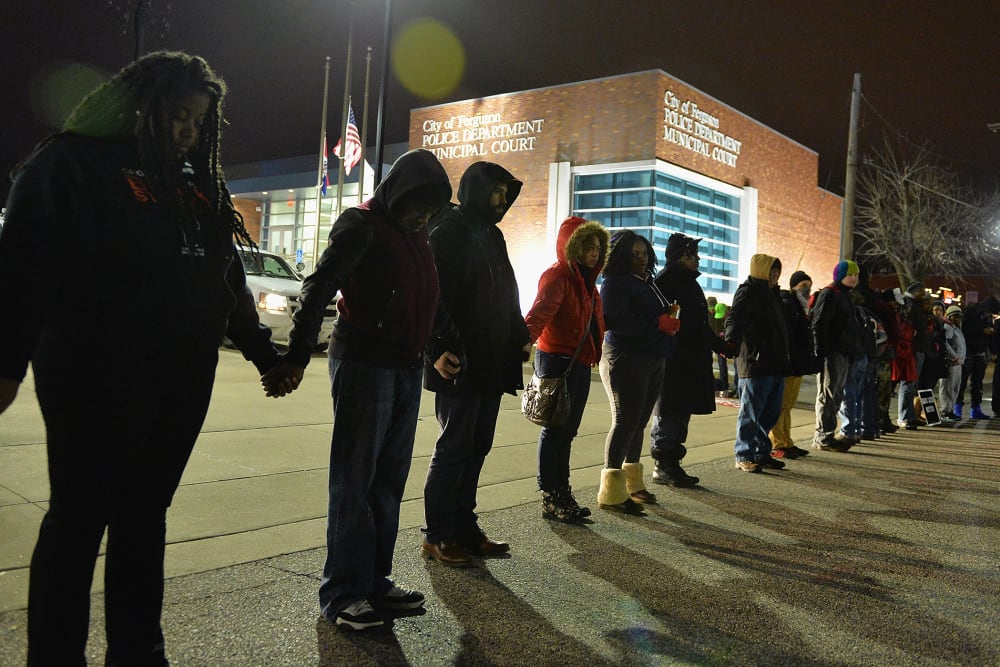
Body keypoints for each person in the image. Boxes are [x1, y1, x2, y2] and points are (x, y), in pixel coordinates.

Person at [0, 52, 282, 665]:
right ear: (138, 104)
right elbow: (23, 268)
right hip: (92, 375)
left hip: (181, 378)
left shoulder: (192, 182)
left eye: (197, 120)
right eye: (177, 113)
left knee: (145, 515)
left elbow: (224, 274)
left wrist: (263, 352)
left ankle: (137, 650)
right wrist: (6, 363)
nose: (187, 129)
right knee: (78, 520)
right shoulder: (69, 163)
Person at [262, 148, 452, 630]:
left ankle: (373, 580)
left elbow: (426, 296)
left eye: (431, 211)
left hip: (406, 368)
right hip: (365, 365)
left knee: (388, 482)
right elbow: (319, 286)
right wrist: (299, 354)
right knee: (356, 481)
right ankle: (343, 592)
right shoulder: (361, 224)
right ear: (400, 192)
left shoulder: (417, 233)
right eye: (419, 207)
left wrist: (436, 349)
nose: (423, 217)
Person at [420, 161, 530, 567]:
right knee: (454, 447)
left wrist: (519, 334)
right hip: (458, 359)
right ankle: (438, 534)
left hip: (491, 358)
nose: (503, 199)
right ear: (477, 189)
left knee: (477, 446)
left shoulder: (492, 234)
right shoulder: (448, 229)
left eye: (507, 192)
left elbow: (507, 289)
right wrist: (439, 347)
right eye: (497, 191)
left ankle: (464, 527)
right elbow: (435, 295)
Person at [525, 217, 609, 521]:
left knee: (567, 431)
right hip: (559, 360)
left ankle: (562, 492)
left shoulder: (588, 283)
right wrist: (524, 341)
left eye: (598, 248)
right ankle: (551, 495)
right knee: (555, 429)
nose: (593, 253)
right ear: (571, 246)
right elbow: (539, 312)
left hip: (579, 362)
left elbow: (596, 322)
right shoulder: (558, 276)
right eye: (587, 246)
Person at [597, 231, 680, 510]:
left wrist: (666, 316)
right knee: (625, 421)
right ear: (620, 256)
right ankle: (611, 491)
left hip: (653, 356)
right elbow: (614, 321)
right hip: (626, 357)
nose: (641, 258)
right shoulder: (614, 283)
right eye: (634, 254)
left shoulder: (646, 282)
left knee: (638, 422)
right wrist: (657, 324)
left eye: (644, 252)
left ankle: (632, 483)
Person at [649, 233, 729, 486]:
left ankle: (672, 462)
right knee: (670, 410)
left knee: (681, 410)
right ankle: (663, 464)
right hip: (675, 359)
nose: (699, 259)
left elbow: (700, 323)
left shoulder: (687, 282)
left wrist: (719, 345)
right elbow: (663, 321)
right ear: (682, 256)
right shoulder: (666, 281)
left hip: (690, 358)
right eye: (694, 255)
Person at [726, 254, 791, 472]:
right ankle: (743, 454)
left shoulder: (774, 295)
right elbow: (734, 318)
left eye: (777, 272)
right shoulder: (748, 291)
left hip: (775, 363)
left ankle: (761, 452)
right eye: (772, 271)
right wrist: (731, 343)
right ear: (761, 270)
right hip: (755, 363)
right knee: (751, 413)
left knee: (770, 412)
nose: (775, 275)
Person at [811, 260, 864, 450]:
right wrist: (820, 351)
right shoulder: (830, 294)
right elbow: (819, 324)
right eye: (851, 274)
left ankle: (827, 433)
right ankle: (823, 436)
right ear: (840, 275)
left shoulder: (845, 295)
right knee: (828, 394)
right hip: (832, 352)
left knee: (836, 395)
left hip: (843, 352)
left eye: (856, 275)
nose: (854, 278)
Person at [769, 270, 816, 458]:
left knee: (787, 405)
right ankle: (778, 442)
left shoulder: (800, 306)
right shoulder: (788, 304)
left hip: (798, 362)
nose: (807, 289)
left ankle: (786, 440)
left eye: (809, 285)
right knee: (780, 405)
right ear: (793, 286)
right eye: (803, 285)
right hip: (789, 362)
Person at [956, 296, 999, 419]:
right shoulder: (970, 312)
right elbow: (965, 330)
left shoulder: (986, 316)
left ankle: (976, 410)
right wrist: (982, 330)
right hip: (968, 352)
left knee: (977, 383)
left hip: (981, 353)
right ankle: (957, 408)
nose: (990, 314)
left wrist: (992, 351)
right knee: (962, 382)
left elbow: (990, 335)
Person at [897, 281, 930, 428]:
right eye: (922, 290)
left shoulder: (916, 304)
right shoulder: (908, 304)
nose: (924, 293)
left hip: (918, 348)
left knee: (912, 385)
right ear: (915, 291)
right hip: (913, 349)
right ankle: (904, 416)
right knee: (908, 383)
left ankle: (910, 415)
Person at [937, 305, 967, 420]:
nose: (957, 318)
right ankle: (945, 411)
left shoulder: (955, 327)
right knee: (948, 387)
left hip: (957, 362)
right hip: (952, 362)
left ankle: (949, 409)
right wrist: (954, 356)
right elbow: (945, 343)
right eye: (955, 316)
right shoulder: (948, 327)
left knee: (954, 387)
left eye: (959, 316)